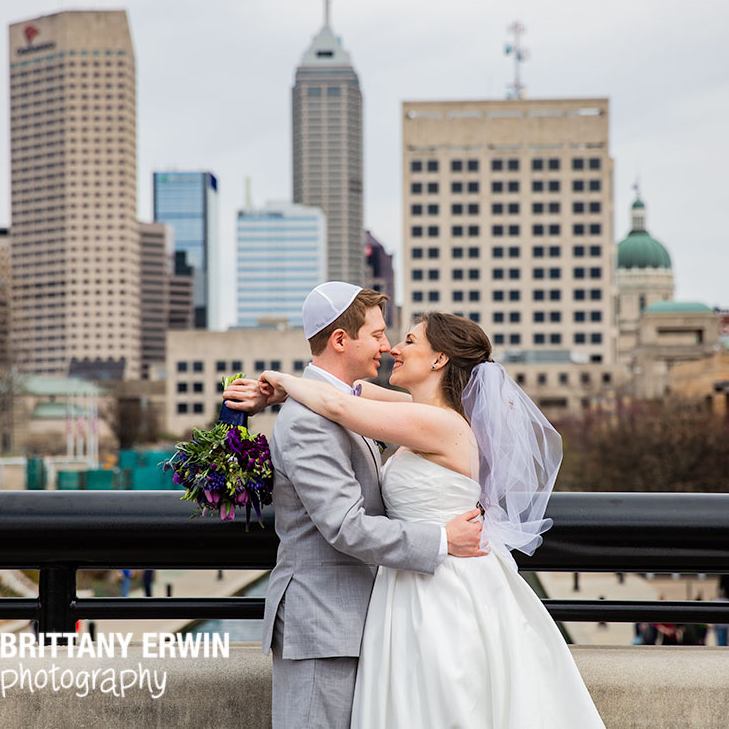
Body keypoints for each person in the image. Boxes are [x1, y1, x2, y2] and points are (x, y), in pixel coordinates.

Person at [232, 308, 604, 728]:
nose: (394, 347)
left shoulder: (437, 423)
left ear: (439, 359)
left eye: (409, 341)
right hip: (408, 581)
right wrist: (284, 394)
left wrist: (278, 379)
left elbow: (338, 403)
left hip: (441, 586)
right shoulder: (424, 410)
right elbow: (349, 391)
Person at [223, 284, 486, 729]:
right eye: (379, 334)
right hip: (324, 625)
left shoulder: (349, 406)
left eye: (400, 339)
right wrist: (442, 538)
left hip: (366, 618)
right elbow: (346, 526)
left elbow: (349, 400)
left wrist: (282, 388)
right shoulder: (310, 420)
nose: (388, 346)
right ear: (342, 341)